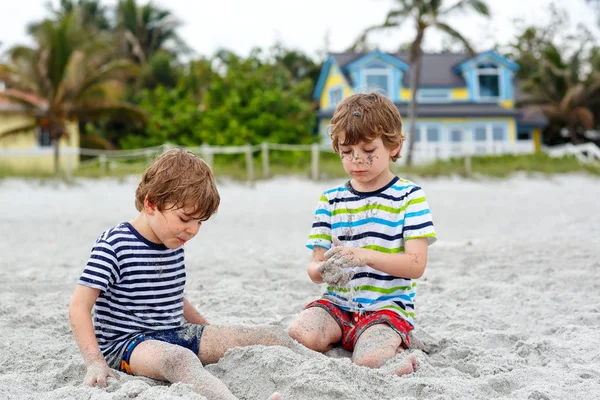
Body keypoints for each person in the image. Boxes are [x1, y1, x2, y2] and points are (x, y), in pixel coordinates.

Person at [69, 148, 285, 400]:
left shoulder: (172, 240)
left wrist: (209, 329)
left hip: (175, 333)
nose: (192, 230)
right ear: (151, 204)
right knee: (180, 359)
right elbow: (79, 306)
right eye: (185, 219)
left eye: (200, 222)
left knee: (267, 334)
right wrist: (95, 362)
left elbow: (173, 296)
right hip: (128, 345)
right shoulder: (114, 244)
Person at [287, 92, 437, 376]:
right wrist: (325, 270)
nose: (357, 160)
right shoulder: (331, 199)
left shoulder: (409, 197)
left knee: (369, 361)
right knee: (299, 334)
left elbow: (416, 266)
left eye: (369, 151)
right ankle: (349, 337)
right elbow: (313, 267)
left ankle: (400, 346)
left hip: (386, 309)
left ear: (394, 146)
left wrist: (363, 256)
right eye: (347, 152)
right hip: (337, 304)